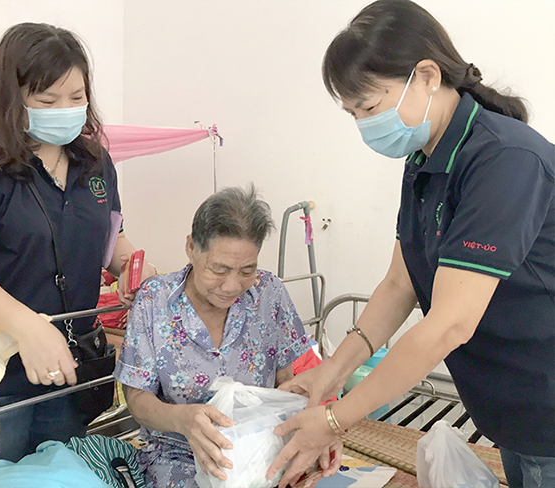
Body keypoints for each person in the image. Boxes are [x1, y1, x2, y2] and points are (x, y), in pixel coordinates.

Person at [267, 1, 555, 487]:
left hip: (544, 395)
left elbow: (450, 322)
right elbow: (400, 283)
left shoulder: (506, 159)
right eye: (353, 113)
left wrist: (335, 421)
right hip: (507, 404)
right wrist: (331, 373)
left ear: (426, 76)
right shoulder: (424, 160)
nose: (363, 125)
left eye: (369, 107)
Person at [0, 23, 155, 470]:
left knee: (61, 473)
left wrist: (135, 269)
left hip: (71, 366)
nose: (65, 111)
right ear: (10, 97)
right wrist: (28, 328)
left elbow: (111, 239)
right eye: (47, 101)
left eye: (76, 97)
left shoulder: (95, 163)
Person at [115, 186, 311, 488]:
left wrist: (298, 404)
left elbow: (284, 379)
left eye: (246, 270)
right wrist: (183, 420)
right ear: (191, 247)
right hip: (179, 457)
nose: (232, 286)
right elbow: (138, 400)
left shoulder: (269, 293)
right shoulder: (155, 300)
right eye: (219, 269)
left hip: (259, 452)